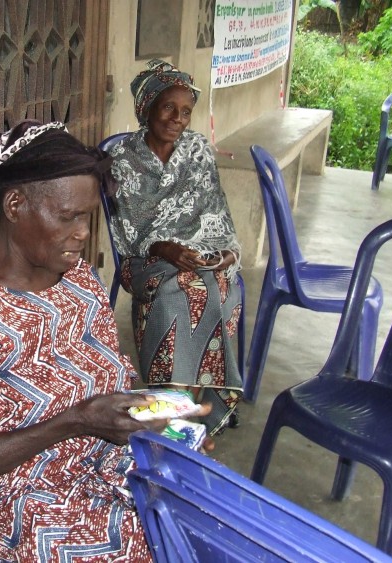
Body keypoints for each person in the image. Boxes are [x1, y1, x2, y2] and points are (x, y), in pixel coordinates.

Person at [0, 120, 185, 561]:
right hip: (23, 491)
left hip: (106, 459)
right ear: (15, 204)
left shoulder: (78, 278)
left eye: (87, 216)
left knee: (201, 509)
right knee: (134, 546)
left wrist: (162, 418)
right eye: (67, 217)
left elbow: (114, 377)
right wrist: (76, 421)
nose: (83, 233)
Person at [108, 59, 243, 436]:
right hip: (144, 257)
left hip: (199, 251)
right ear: (147, 108)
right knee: (177, 292)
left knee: (219, 286)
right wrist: (164, 249)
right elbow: (127, 231)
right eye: (168, 107)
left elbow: (216, 212)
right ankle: (176, 403)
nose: (177, 119)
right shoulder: (123, 159)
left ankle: (191, 405)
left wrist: (225, 253)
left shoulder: (197, 149)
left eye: (185, 111)